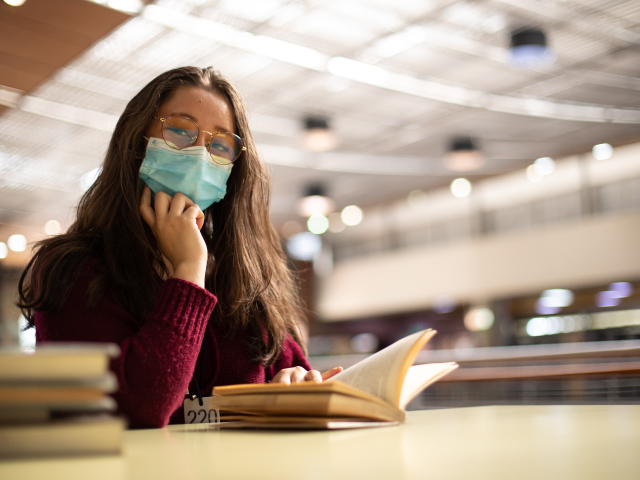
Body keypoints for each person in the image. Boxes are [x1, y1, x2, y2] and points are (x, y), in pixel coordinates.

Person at [17, 66, 341, 428]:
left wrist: (295, 385)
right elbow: (138, 408)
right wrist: (188, 271)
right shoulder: (74, 268)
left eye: (220, 144)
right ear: (137, 139)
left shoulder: (246, 275)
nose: (200, 154)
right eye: (180, 130)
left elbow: (303, 377)